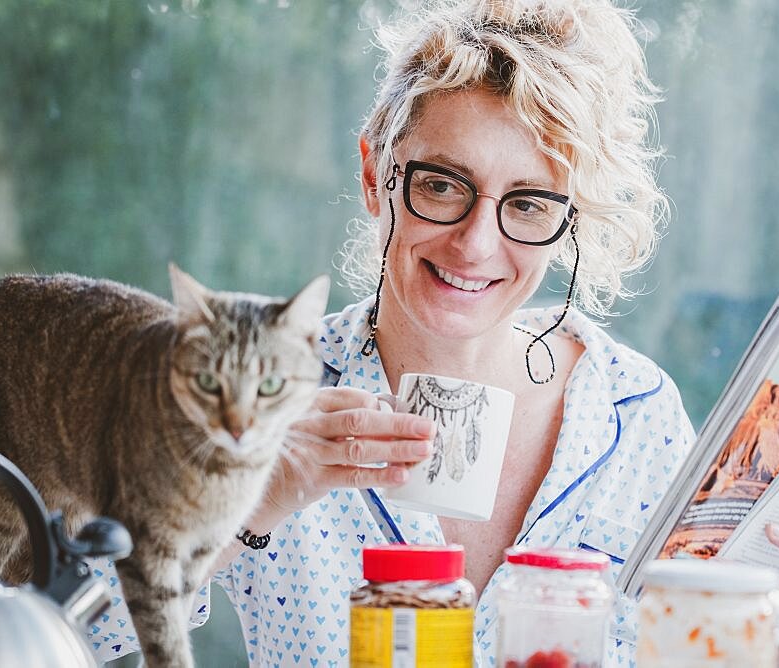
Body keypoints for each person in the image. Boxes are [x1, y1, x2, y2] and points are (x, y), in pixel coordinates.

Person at [90, 0, 695, 665]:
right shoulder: (257, 393)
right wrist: (252, 499)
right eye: (441, 185)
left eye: (527, 204)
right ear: (376, 175)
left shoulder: (634, 416)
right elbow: (60, 627)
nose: (475, 245)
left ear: (568, 221)